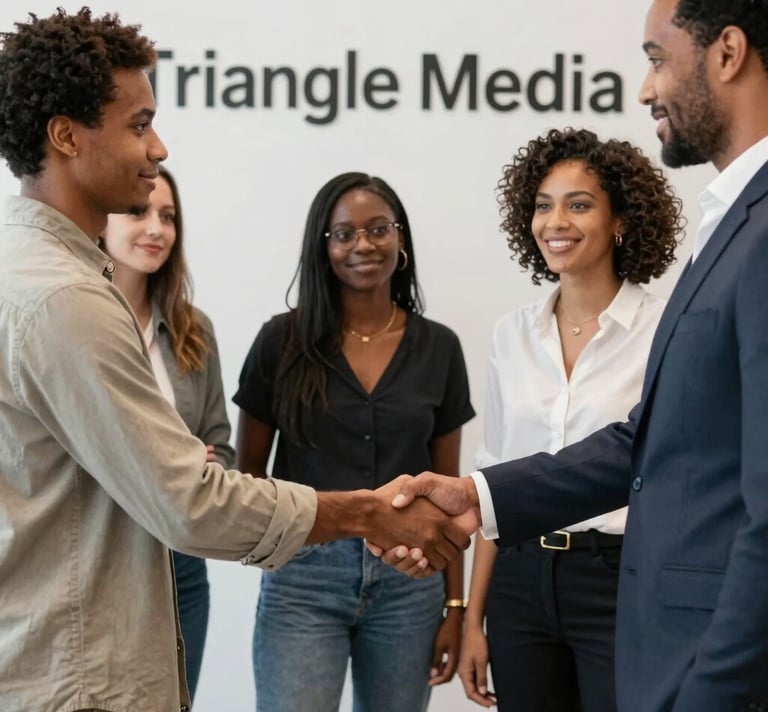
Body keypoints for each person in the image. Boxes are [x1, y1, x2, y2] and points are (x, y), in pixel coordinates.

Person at [0, 10, 470, 712]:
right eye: (138, 124)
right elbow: (193, 500)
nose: (157, 148)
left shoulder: (33, 272)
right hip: (77, 678)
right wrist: (370, 513)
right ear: (66, 135)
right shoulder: (66, 299)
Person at [383, 0, 768, 710]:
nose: (646, 89)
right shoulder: (730, 229)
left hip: (683, 636)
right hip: (552, 591)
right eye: (543, 205)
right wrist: (478, 497)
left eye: (656, 58)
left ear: (728, 53)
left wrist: (717, 686)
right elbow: (651, 446)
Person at [458, 128, 683, 712]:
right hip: (520, 577)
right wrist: (472, 618)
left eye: (578, 204)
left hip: (620, 579)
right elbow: (495, 482)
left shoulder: (665, 329)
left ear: (621, 221)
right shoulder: (511, 335)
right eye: (542, 205)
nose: (554, 221)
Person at [233, 171, 475, 712]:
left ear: (401, 239)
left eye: (378, 229)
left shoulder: (439, 348)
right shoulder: (281, 342)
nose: (363, 244)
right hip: (303, 579)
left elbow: (450, 497)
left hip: (409, 582)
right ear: (323, 248)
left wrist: (454, 608)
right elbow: (245, 480)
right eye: (343, 234)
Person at [101, 165, 229, 700]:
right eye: (138, 211)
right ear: (100, 221)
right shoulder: (70, 317)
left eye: (168, 217)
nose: (156, 228)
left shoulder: (192, 330)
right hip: (101, 561)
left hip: (181, 570)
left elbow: (220, 441)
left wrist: (208, 465)